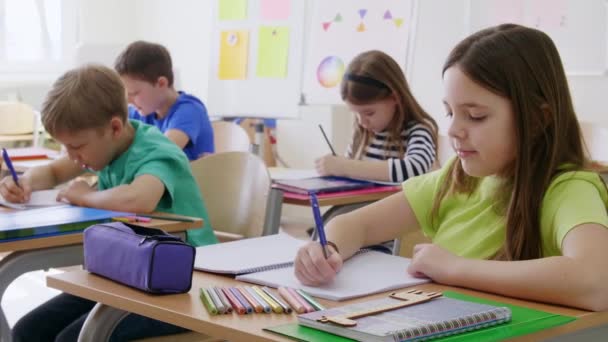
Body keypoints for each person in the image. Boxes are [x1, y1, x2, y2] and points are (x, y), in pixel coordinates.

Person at [294, 24, 608, 311]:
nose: (454, 130)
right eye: (449, 112)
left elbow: (596, 282)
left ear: (538, 119)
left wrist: (456, 268)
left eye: (476, 115)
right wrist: (326, 248)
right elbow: (358, 225)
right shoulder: (457, 178)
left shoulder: (568, 189)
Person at [2, 64, 217, 341]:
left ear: (114, 127)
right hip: (125, 277)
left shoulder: (158, 150)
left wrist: (84, 196)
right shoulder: (103, 144)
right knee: (28, 331)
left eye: (76, 147)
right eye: (65, 147)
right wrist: (25, 182)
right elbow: (54, 171)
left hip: (185, 286)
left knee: (72, 339)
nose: (72, 156)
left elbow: (138, 198)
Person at [315, 50, 438, 183]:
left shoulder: (418, 130)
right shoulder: (361, 134)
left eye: (369, 113)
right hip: (361, 203)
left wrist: (344, 166)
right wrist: (337, 169)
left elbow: (414, 168)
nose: (362, 122)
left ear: (395, 98)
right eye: (356, 113)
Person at [115, 40, 214, 160]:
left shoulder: (190, 110)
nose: (128, 101)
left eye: (134, 93)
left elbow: (162, 152)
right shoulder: (140, 111)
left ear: (161, 83)